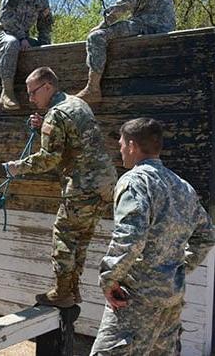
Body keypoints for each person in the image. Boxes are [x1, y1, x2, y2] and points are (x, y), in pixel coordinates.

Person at [90, 118, 215, 355]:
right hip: (170, 297)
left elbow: (131, 237)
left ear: (132, 146)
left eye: (121, 144)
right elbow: (207, 235)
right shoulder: (182, 186)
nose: (120, 150)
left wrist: (109, 279)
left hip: (137, 298)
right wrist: (177, 268)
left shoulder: (134, 181)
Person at [6, 67, 117, 308]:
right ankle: (73, 290)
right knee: (82, 237)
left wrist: (18, 167)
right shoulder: (76, 103)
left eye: (33, 92)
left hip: (83, 185)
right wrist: (42, 125)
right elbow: (73, 138)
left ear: (47, 87)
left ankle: (62, 292)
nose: (30, 98)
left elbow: (49, 158)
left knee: (64, 236)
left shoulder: (56, 114)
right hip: (105, 183)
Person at [77, 0, 176, 103]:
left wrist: (103, 24)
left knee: (96, 36)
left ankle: (92, 89)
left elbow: (126, 2)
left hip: (148, 25)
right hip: (160, 26)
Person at [0, 0, 53, 110]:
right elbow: (5, 18)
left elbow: (45, 25)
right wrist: (21, 37)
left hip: (22, 39)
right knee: (12, 43)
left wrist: (46, 47)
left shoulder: (42, 0)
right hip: (1, 34)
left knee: (41, 47)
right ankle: (7, 92)